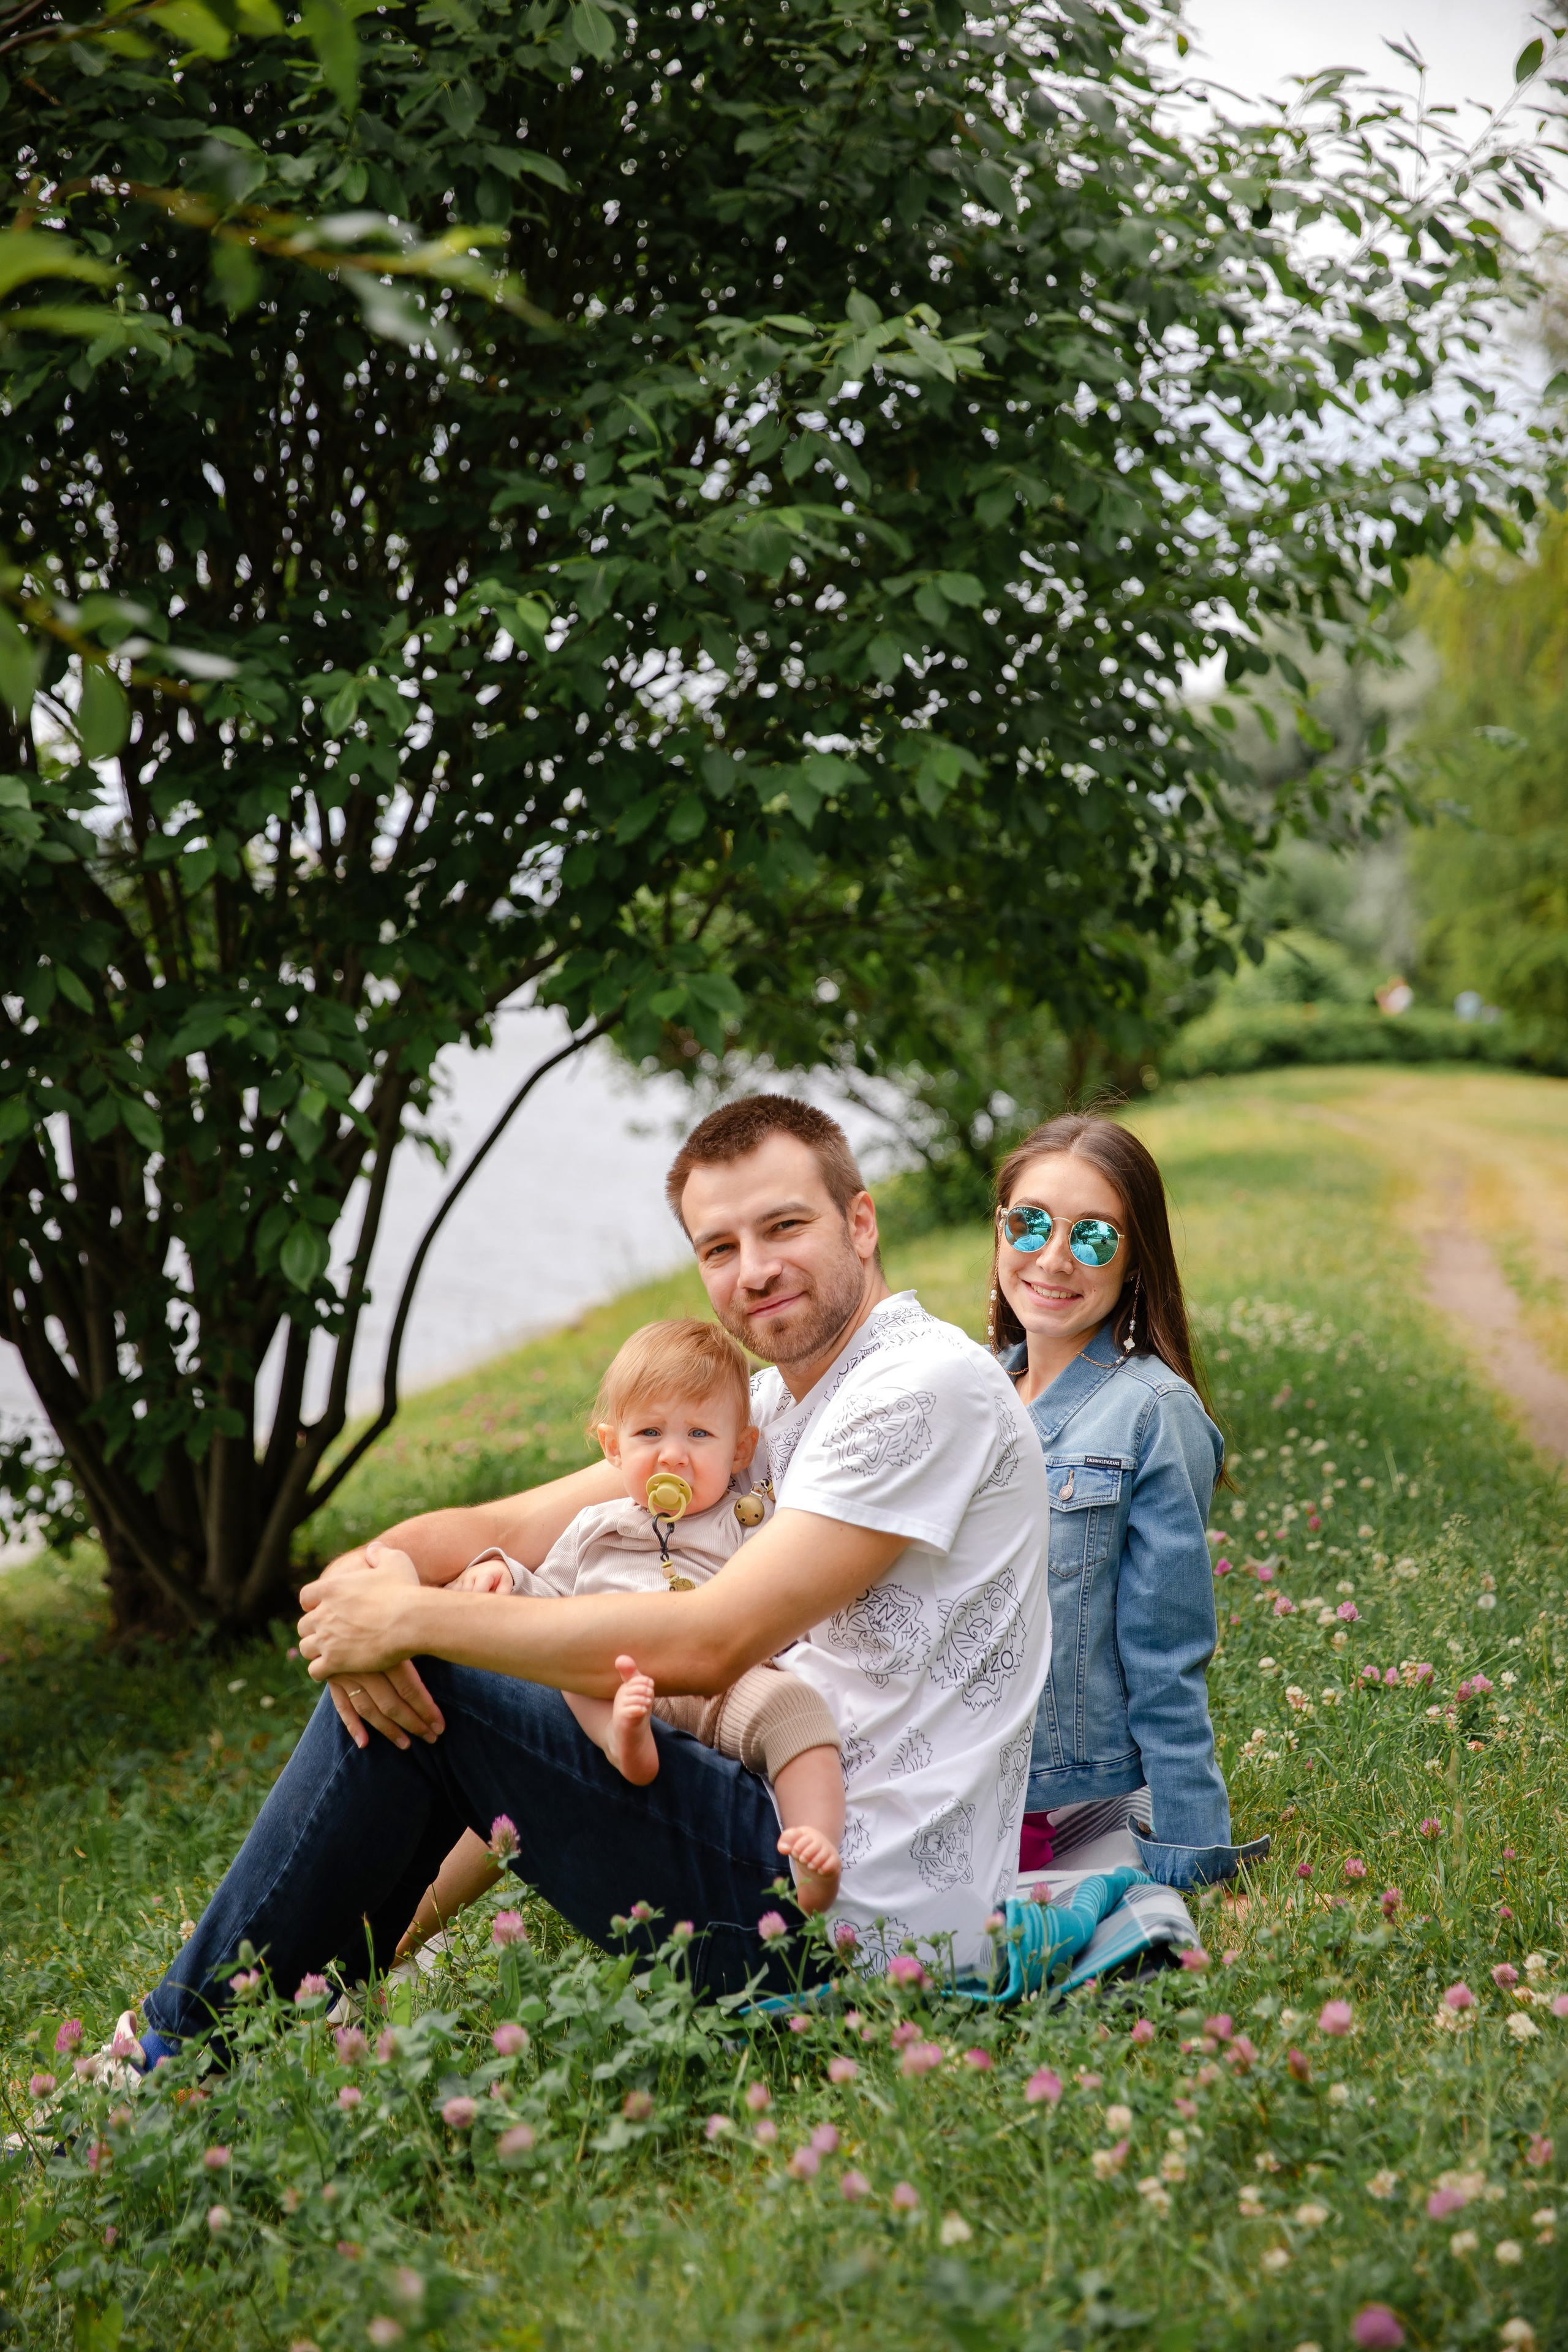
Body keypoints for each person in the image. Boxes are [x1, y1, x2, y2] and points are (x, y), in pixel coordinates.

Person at [121, 1095, 1050, 2059]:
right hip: (774, 1846)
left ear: (860, 1223)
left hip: (837, 1914)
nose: (755, 1270)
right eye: (718, 1247)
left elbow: (710, 1641)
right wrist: (378, 1579)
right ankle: (285, 2003)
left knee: (443, 1666)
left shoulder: (918, 1387)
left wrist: (407, 1622)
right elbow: (496, 1527)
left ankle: (171, 2056)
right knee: (447, 1650)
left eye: (784, 1226)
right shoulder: (759, 1413)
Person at [388, 1314, 846, 1948]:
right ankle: (621, 1742)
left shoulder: (746, 1519)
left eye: (700, 1434)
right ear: (613, 1446)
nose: (672, 1453)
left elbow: (780, 1591)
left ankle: (813, 1843)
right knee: (573, 1659)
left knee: (795, 1711)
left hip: (721, 1684)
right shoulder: (594, 1528)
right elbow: (545, 1598)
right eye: (650, 1432)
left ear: (740, 1450)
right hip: (621, 1679)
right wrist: (499, 1573)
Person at [989, 1112, 1267, 1890]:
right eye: (1030, 1224)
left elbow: (1166, 1654)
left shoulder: (1153, 1412)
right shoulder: (970, 1389)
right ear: (999, 1229)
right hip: (942, 1764)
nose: (1052, 1258)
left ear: (1134, 1257)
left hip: (1056, 1796)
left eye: (1094, 1237)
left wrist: (1189, 1853)